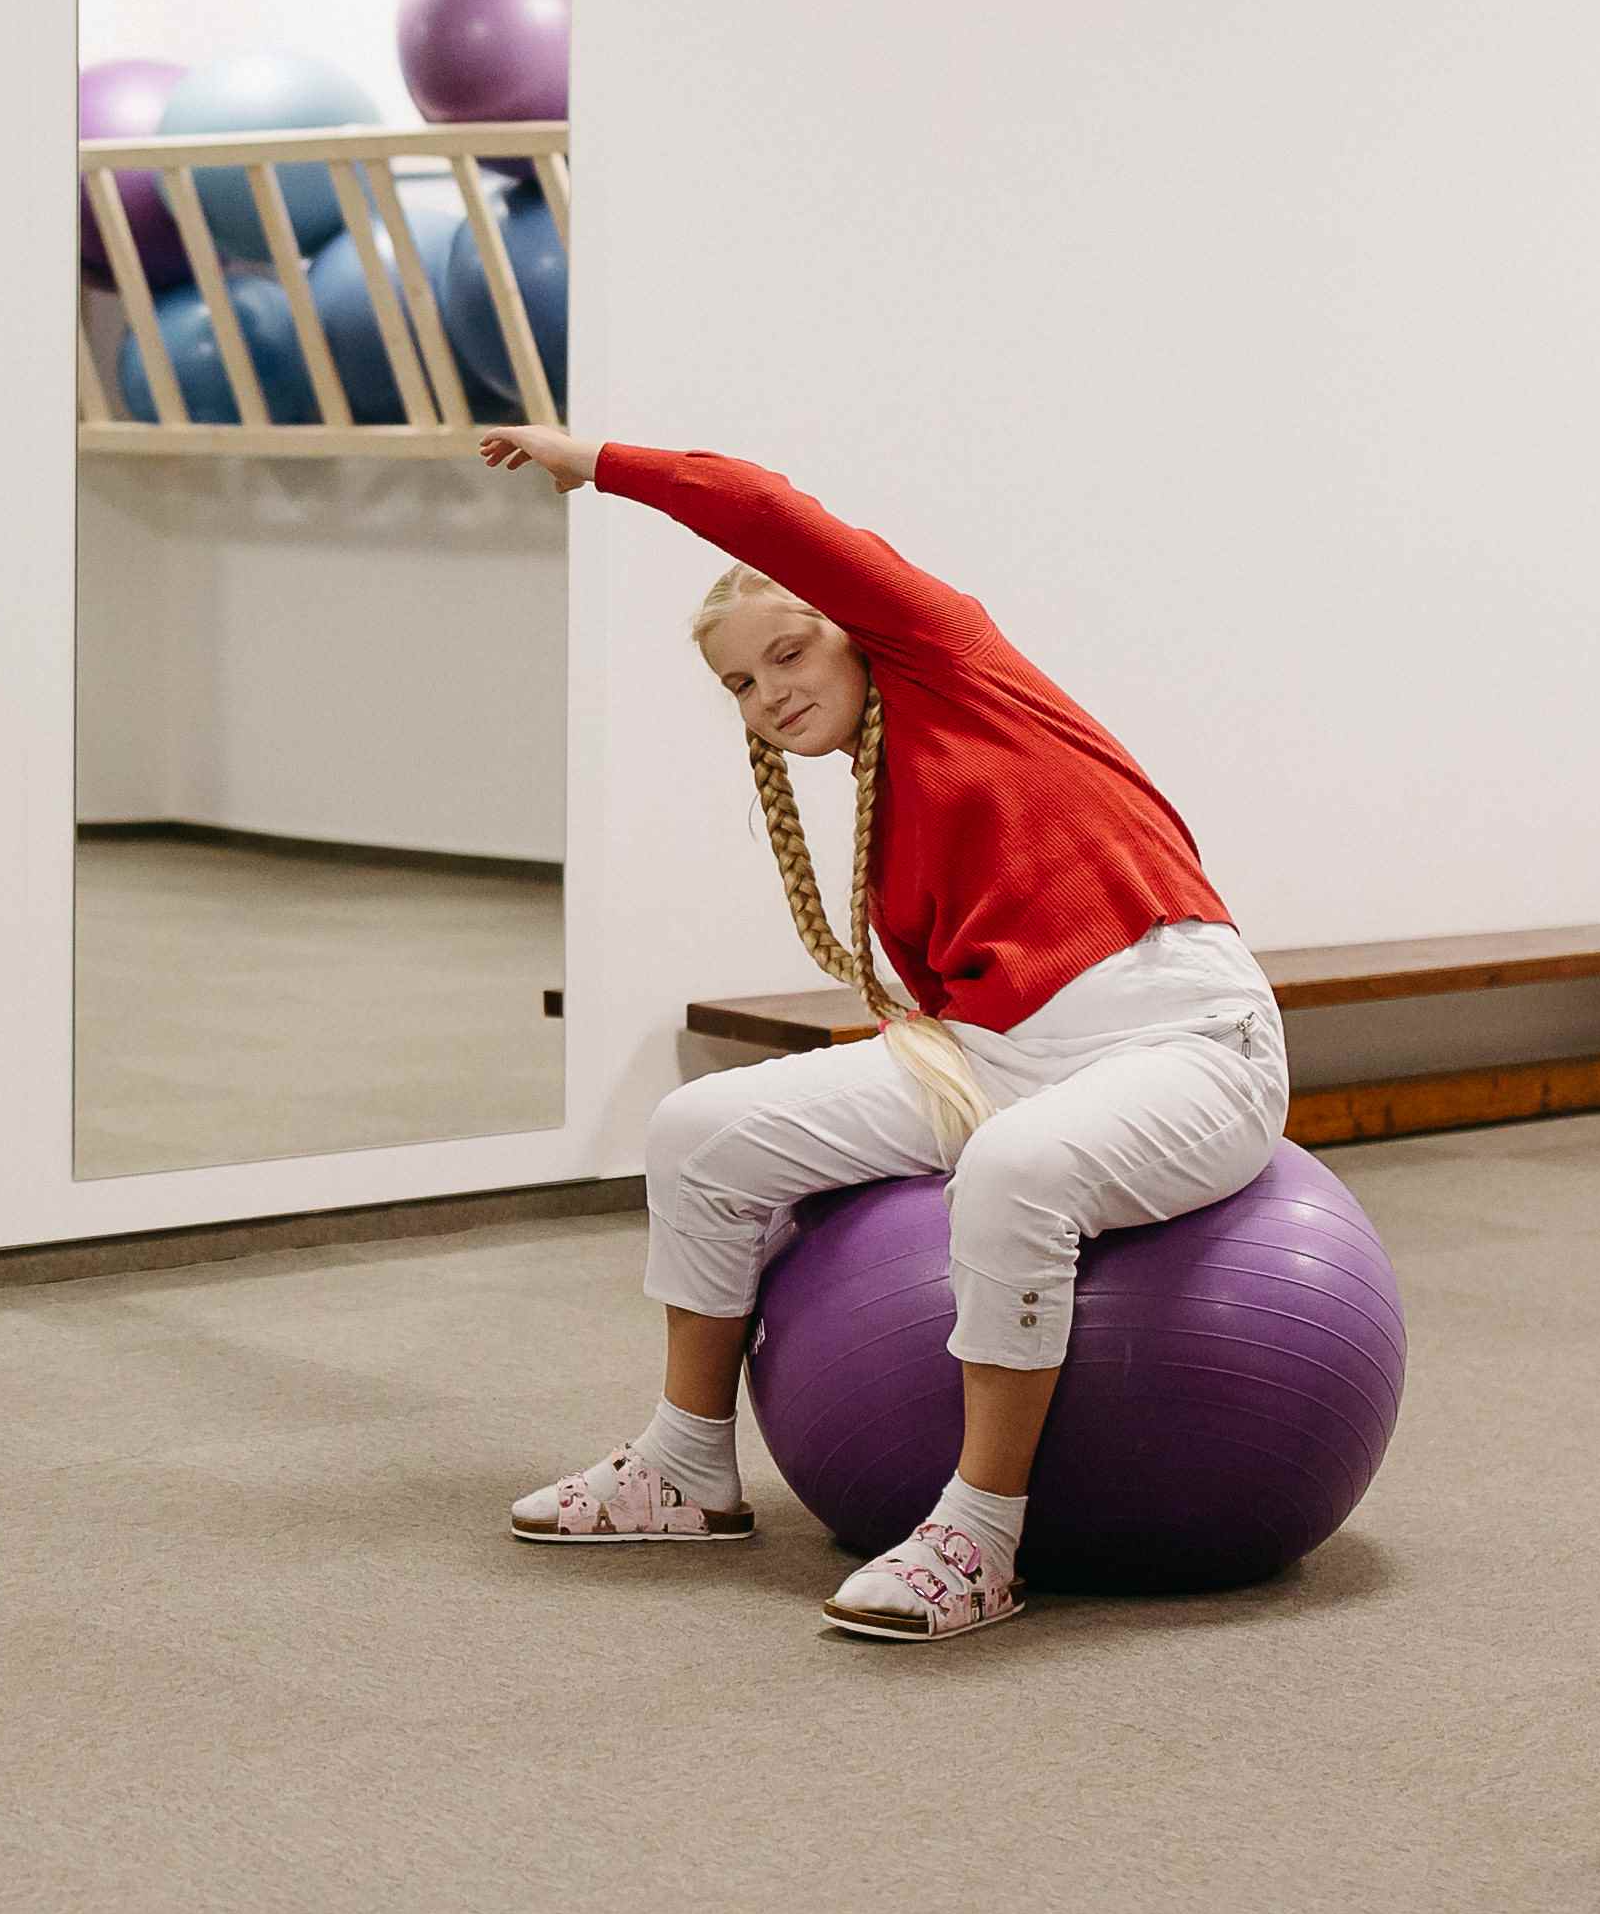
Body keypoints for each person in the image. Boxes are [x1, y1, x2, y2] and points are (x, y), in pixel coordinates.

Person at [474, 422, 1283, 1642]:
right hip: (1006, 1059)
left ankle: (981, 1540)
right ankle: (686, 1467)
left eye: (788, 652)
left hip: (1187, 1043)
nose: (771, 692)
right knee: (696, 1130)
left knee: (1015, 1171)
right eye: (742, 684)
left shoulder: (956, 661)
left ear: (855, 629)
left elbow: (763, 509)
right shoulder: (887, 806)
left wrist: (595, 461)